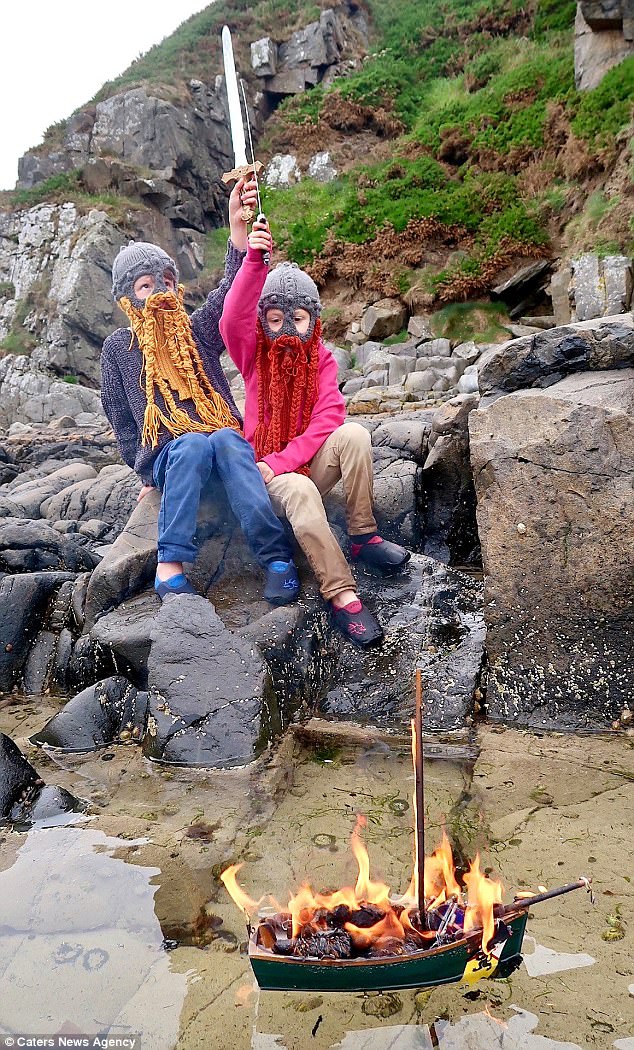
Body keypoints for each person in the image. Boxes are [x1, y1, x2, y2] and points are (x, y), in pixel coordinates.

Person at [100, 180, 299, 605]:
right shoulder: (119, 347)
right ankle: (170, 566)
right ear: (126, 297)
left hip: (220, 444)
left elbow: (229, 292)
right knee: (190, 444)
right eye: (146, 286)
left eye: (167, 281)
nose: (160, 292)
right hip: (172, 454)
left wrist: (238, 230)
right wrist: (146, 475)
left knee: (228, 438)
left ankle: (276, 557)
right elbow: (121, 421)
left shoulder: (197, 331)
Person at [219, 220, 410, 648]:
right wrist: (253, 260)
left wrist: (284, 461)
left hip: (290, 464)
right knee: (301, 490)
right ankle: (341, 593)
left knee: (355, 435)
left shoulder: (322, 359)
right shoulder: (253, 353)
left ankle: (362, 535)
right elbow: (231, 318)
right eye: (275, 319)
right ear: (263, 321)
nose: (287, 329)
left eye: (298, 319)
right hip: (267, 478)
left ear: (314, 321)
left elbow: (330, 418)